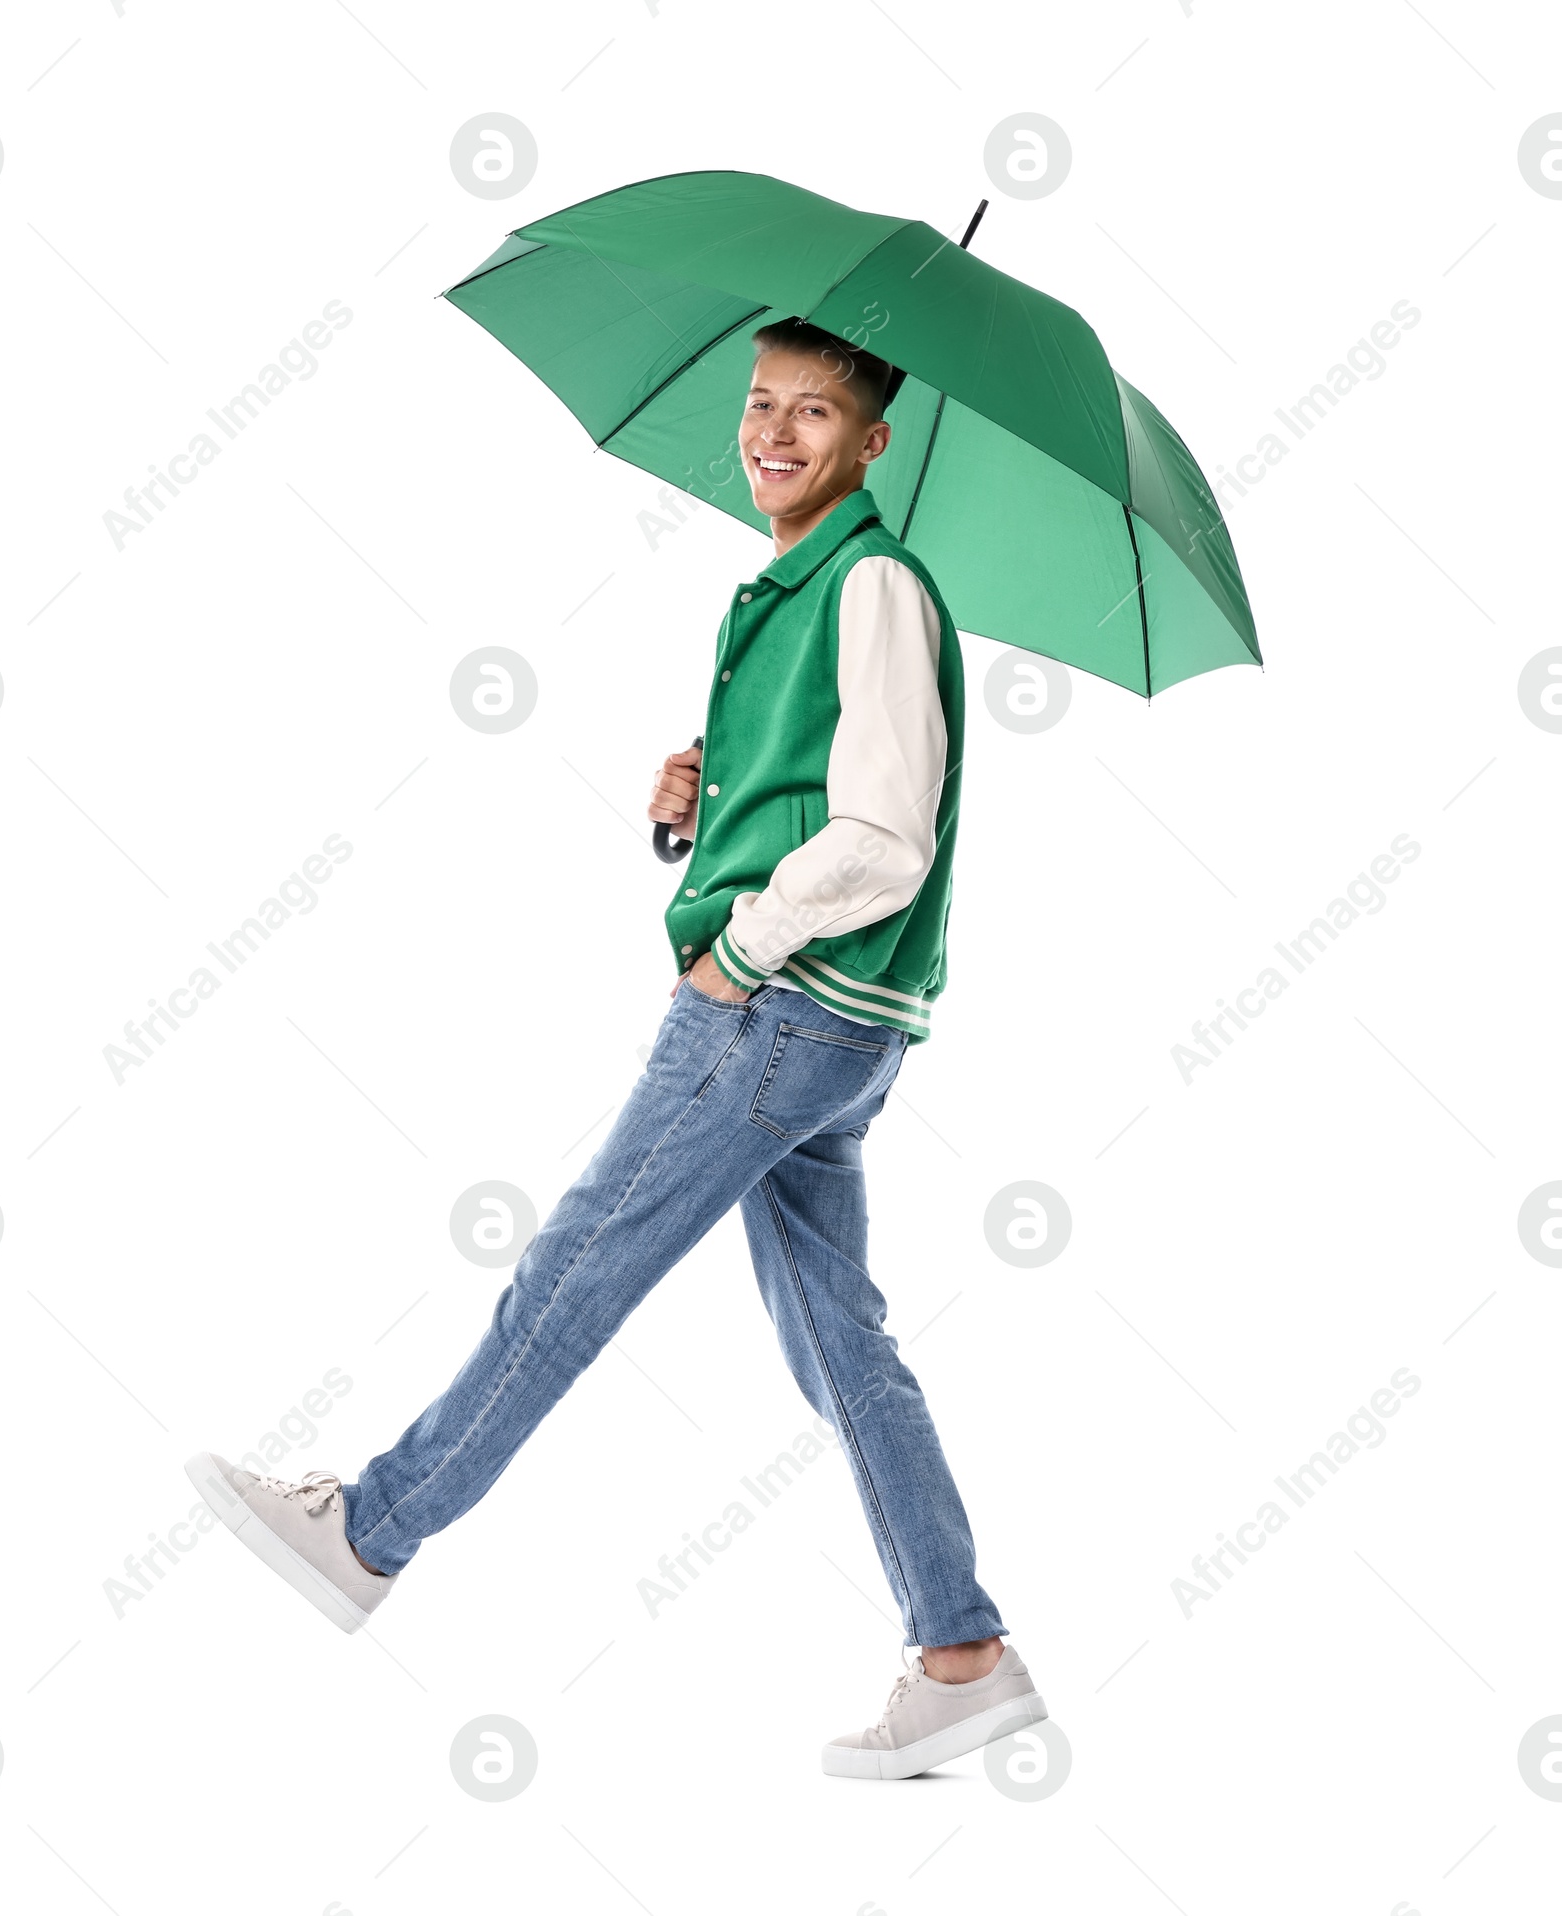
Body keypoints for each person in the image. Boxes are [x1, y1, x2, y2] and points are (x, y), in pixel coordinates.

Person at [185, 317, 1046, 1780]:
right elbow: (808, 803)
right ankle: (959, 1651)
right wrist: (693, 816)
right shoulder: (785, 589)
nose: (775, 431)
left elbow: (885, 839)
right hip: (822, 1022)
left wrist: (744, 945)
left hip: (778, 1013)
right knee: (839, 1341)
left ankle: (372, 1531)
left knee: (575, 1270)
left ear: (872, 440)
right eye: (762, 403)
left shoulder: (875, 584)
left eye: (815, 412)